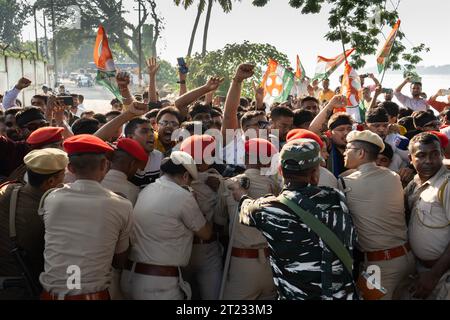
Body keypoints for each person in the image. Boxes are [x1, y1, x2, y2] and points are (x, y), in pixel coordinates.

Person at [233, 139, 357, 300]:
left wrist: (240, 193)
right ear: (314, 174)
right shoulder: (336, 198)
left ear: (280, 170)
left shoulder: (269, 209)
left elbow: (245, 208)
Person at [39, 134, 133, 300]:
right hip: (93, 295)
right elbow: (119, 259)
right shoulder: (122, 205)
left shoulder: (51, 199)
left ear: (70, 168)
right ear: (105, 165)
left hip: (50, 295)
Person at [121, 151, 213, 300]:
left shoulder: (145, 190)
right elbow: (206, 233)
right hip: (159, 284)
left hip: (131, 277)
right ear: (184, 176)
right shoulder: (183, 196)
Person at [339, 130, 414, 300]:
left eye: (348, 148)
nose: (344, 152)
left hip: (379, 267)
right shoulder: (393, 176)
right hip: (406, 258)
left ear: (360, 153)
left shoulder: (346, 182)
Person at [0, 148, 67, 299]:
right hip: (21, 291)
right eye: (63, 176)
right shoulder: (47, 214)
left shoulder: (8, 190)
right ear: (51, 181)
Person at [221, 138, 279, 300]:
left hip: (242, 262)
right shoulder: (275, 187)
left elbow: (219, 220)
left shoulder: (228, 184)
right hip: (270, 262)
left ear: (246, 158)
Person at [179, 135, 226, 300]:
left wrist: (220, 188)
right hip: (181, 250)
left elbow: (223, 220)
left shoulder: (219, 180)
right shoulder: (177, 181)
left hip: (209, 249)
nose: (201, 159)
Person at [404, 132, 450, 300]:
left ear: (442, 154)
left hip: (442, 276)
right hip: (421, 271)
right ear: (411, 158)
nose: (429, 161)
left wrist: (434, 275)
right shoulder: (413, 184)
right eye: (421, 155)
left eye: (434, 154)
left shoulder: (447, 184)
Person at [101, 138, 148, 206]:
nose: (137, 172)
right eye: (138, 169)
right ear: (132, 164)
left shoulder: (94, 180)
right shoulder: (134, 192)